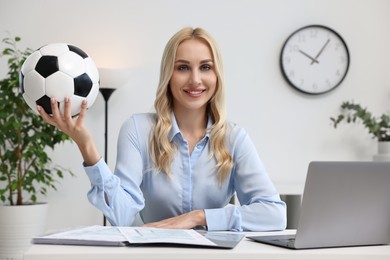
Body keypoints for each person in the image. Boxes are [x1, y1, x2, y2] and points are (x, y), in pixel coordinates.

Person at [39, 27, 286, 231]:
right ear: (169, 74)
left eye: (205, 67)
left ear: (217, 75)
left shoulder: (234, 138)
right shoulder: (138, 129)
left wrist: (199, 217)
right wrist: (86, 145)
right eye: (183, 67)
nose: (195, 80)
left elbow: (275, 215)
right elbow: (122, 216)